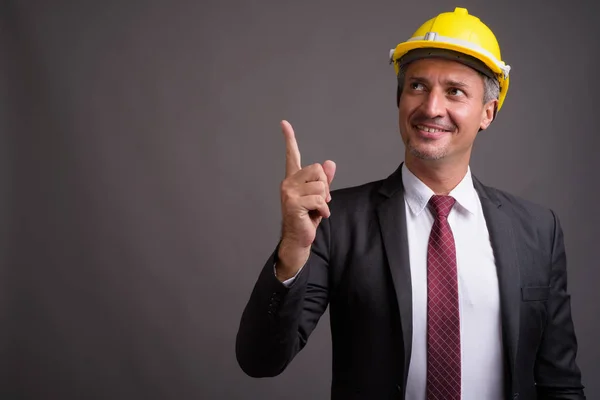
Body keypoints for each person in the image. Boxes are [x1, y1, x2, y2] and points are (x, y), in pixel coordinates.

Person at [235, 7, 585, 400]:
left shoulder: (537, 230)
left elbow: (560, 384)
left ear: (488, 112)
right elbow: (260, 360)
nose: (431, 107)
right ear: (400, 98)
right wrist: (293, 248)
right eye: (417, 86)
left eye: (454, 91)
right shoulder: (336, 221)